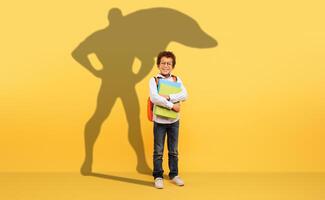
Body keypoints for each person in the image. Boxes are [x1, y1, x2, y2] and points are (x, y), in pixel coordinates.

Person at [149, 51, 188, 189]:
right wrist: (173, 105)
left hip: (174, 122)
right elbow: (154, 98)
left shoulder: (176, 80)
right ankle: (158, 176)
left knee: (173, 150)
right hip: (159, 122)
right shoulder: (154, 80)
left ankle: (174, 174)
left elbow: (185, 94)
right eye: (163, 63)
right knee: (158, 151)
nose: (166, 66)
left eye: (169, 63)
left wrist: (168, 97)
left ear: (173, 66)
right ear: (158, 64)